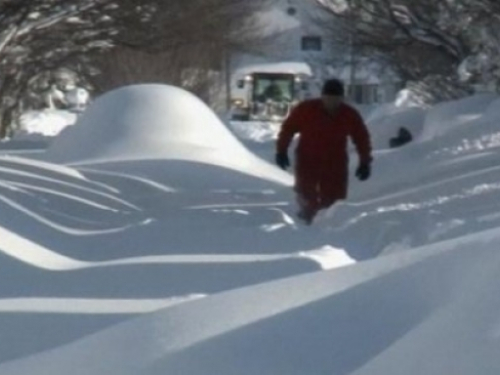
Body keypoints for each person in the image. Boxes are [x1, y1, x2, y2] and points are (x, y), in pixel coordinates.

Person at [275, 78, 373, 225]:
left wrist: (364, 161)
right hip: (308, 159)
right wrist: (281, 150)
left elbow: (361, 138)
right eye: (328, 98)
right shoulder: (306, 110)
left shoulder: (349, 115)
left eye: (336, 99)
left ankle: (329, 224)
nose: (332, 103)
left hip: (335, 162)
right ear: (323, 97)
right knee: (307, 193)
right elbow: (288, 129)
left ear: (341, 98)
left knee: (334, 198)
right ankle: (306, 222)